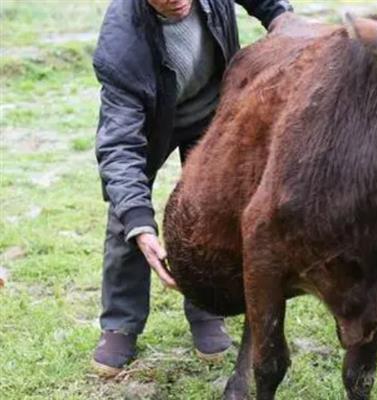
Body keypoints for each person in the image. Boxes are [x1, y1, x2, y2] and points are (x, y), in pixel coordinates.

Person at [91, 0, 293, 377]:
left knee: (212, 211)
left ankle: (206, 312)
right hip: (154, 121)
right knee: (128, 218)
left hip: (214, 112)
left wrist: (282, 18)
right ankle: (120, 324)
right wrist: (141, 226)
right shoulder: (120, 46)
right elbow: (119, 148)